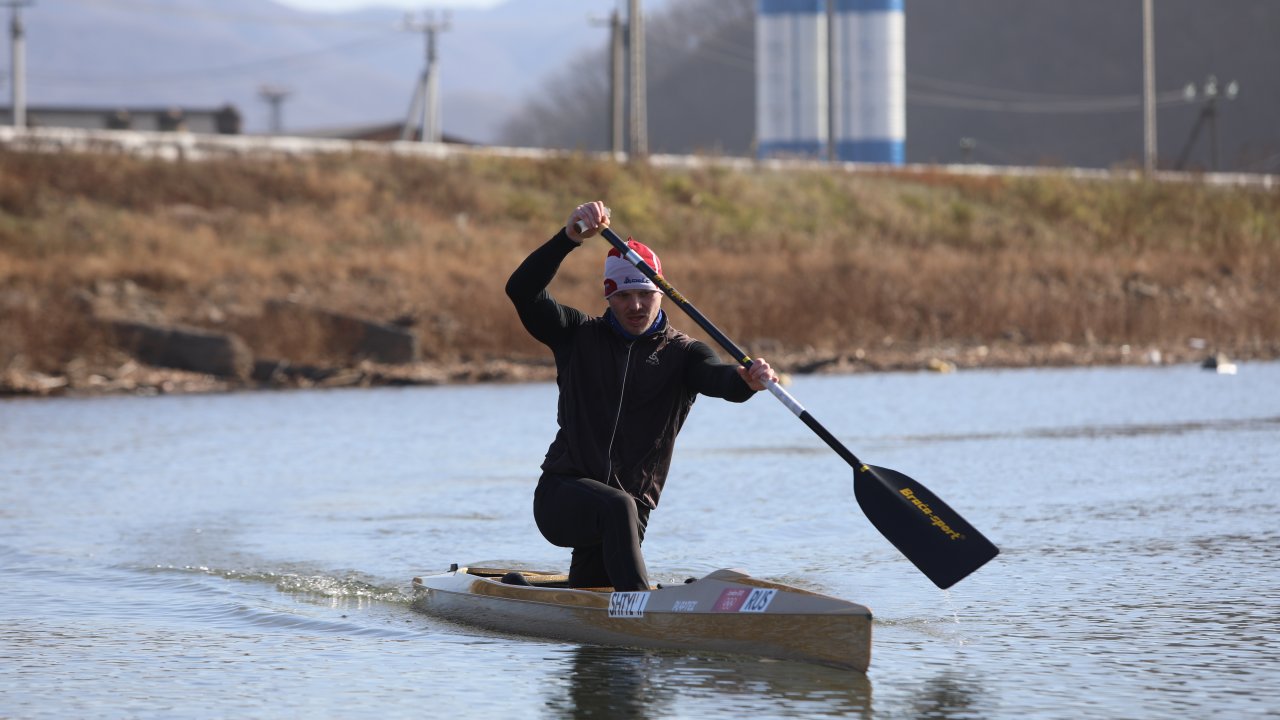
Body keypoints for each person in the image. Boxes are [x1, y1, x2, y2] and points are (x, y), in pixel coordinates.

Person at [505, 200, 778, 592]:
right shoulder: (576, 336)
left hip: (633, 511)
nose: (635, 306)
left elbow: (721, 381)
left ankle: (528, 592)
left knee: (595, 588)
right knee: (618, 506)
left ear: (661, 293)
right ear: (608, 298)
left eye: (644, 294)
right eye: (622, 296)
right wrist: (568, 239)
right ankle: (643, 609)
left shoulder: (685, 354)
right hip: (562, 497)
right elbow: (522, 290)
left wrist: (746, 380)